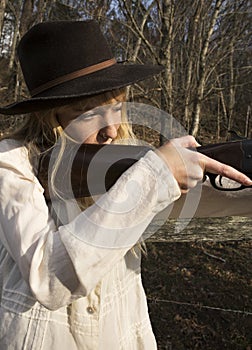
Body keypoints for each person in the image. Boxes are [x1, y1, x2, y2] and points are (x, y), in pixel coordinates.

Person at [0, 20, 251, 350]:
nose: (113, 129)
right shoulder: (12, 162)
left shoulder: (130, 160)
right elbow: (49, 278)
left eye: (117, 107)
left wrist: (188, 169)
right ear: (51, 116)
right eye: (88, 114)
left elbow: (205, 196)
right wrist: (155, 175)